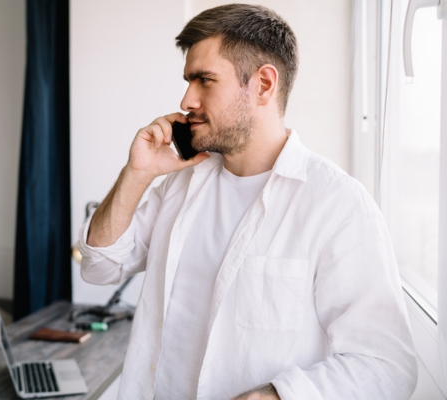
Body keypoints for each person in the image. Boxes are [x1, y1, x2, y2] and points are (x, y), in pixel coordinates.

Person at [78, 3, 417, 399]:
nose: (187, 100)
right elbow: (99, 266)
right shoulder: (180, 184)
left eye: (204, 80)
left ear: (263, 84)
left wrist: (274, 396)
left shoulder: (337, 206)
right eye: (188, 81)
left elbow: (387, 364)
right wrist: (137, 173)